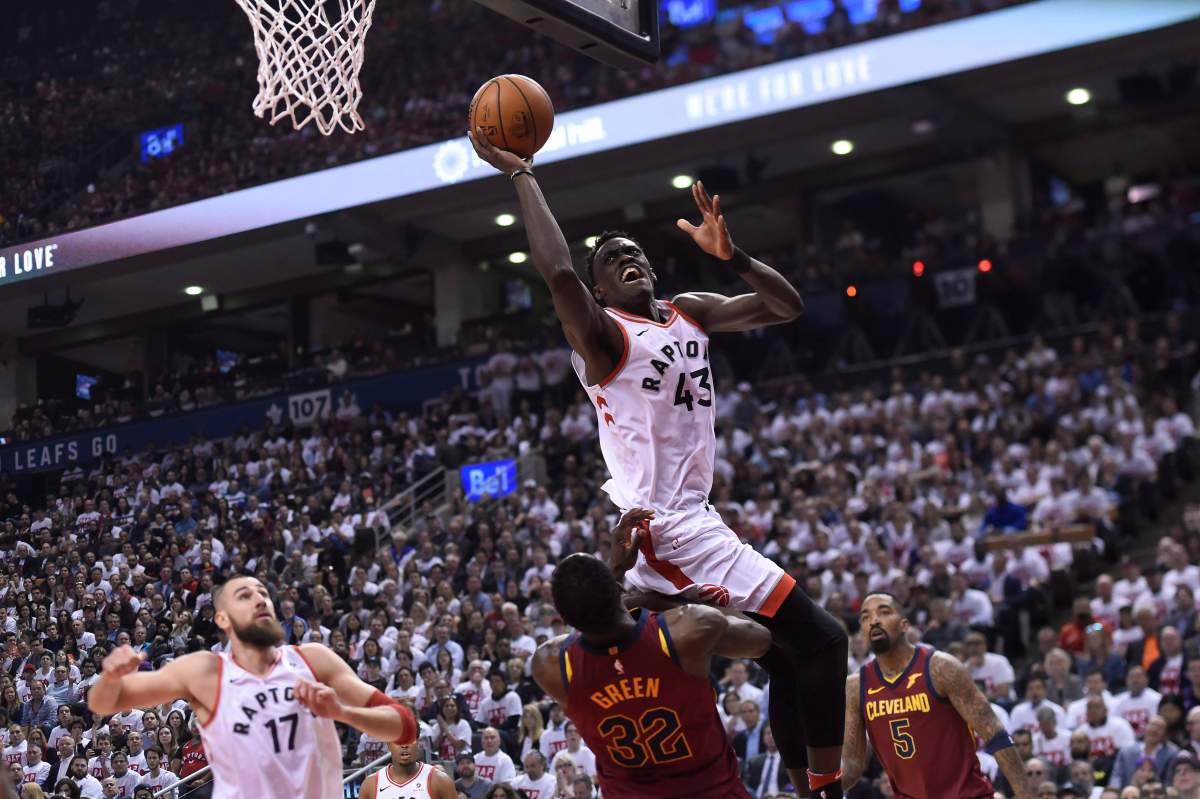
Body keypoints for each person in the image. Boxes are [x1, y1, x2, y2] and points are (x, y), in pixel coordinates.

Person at [468, 132, 846, 799]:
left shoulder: (688, 311)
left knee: (790, 657)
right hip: (669, 526)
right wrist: (523, 173)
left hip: (692, 519)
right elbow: (558, 275)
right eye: (612, 259)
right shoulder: (604, 336)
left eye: (635, 252)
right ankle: (826, 788)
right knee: (823, 639)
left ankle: (800, 786)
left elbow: (788, 307)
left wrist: (736, 257)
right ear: (599, 286)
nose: (628, 259)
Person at [86, 576, 417, 799]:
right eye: (245, 596)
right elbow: (102, 702)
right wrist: (111, 676)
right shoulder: (204, 671)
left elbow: (404, 724)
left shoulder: (313, 659)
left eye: (264, 594)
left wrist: (342, 712)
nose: (260, 600)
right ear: (222, 619)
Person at [529, 516, 772, 799]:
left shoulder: (552, 666)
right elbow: (762, 638)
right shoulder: (687, 631)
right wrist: (670, 601)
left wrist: (617, 576)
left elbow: (586, 623)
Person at [842, 593, 1033, 799]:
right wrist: (816, 787)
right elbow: (853, 765)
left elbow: (995, 735)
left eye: (884, 612)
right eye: (865, 617)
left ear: (905, 625)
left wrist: (1026, 795)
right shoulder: (855, 686)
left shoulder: (941, 668)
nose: (874, 621)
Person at [358, 738, 456, 799]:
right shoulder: (370, 785)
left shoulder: (441, 781)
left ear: (417, 742)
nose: (404, 745)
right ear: (388, 744)